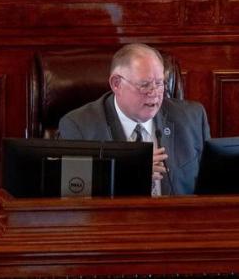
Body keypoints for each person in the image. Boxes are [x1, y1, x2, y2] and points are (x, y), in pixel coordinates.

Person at [57, 43, 210, 195]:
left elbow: (210, 186)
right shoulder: (79, 126)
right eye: (145, 85)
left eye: (159, 83)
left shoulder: (192, 119)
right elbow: (74, 191)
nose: (155, 93)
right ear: (116, 84)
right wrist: (130, 173)